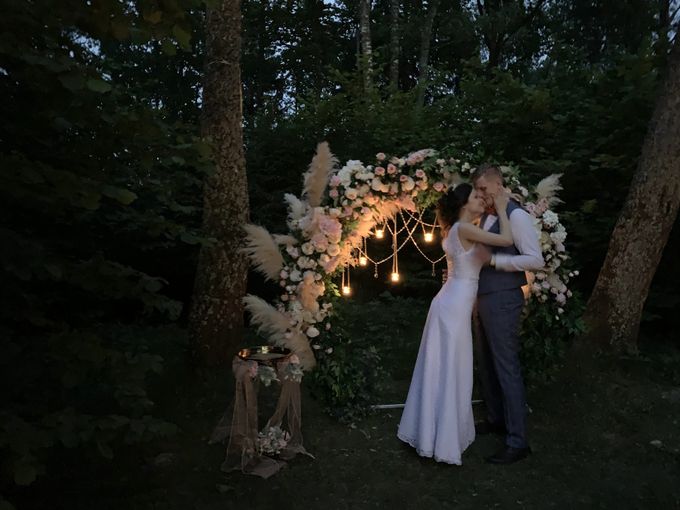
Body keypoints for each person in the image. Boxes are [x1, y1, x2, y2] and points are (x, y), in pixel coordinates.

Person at [397, 183, 514, 465]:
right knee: (451, 366)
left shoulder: (454, 229)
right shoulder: (464, 229)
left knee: (442, 366)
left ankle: (433, 431)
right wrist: (501, 209)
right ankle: (442, 439)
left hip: (449, 302)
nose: (480, 199)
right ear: (463, 204)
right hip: (454, 305)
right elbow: (507, 239)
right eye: (475, 196)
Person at [471, 163, 544, 465]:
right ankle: (496, 418)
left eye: (483, 189)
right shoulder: (487, 216)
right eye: (477, 189)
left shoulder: (517, 216)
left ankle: (517, 441)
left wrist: (495, 262)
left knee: (505, 366)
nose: (480, 195)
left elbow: (535, 260)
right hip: (484, 298)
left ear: (498, 185)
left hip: (503, 300)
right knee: (487, 363)